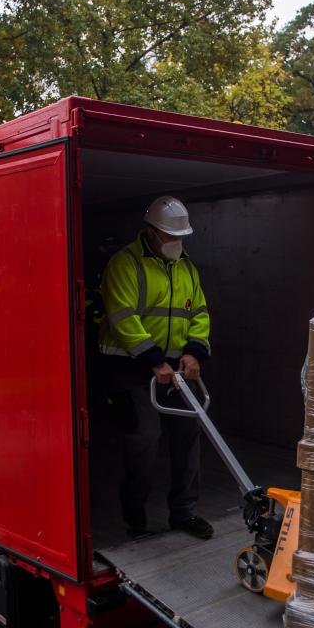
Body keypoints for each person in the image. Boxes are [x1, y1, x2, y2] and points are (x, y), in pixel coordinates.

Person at [98, 195, 213, 540]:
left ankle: (184, 513)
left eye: (180, 237)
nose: (175, 243)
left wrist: (194, 353)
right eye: (169, 236)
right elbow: (122, 317)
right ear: (150, 232)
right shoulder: (125, 264)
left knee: (188, 435)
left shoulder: (186, 267)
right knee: (145, 438)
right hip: (134, 367)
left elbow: (200, 313)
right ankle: (135, 517)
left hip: (175, 368)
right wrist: (154, 361)